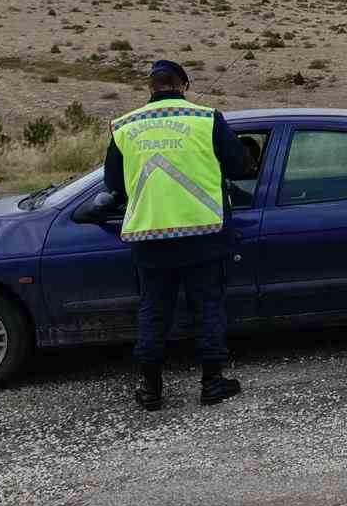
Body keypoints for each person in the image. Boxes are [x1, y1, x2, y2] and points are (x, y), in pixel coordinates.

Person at [103, 60, 254, 411]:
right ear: (184, 86)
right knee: (208, 308)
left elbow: (113, 184)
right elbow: (239, 167)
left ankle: (152, 390)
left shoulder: (125, 126)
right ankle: (212, 384)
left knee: (154, 312)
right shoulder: (207, 119)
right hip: (204, 234)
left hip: (149, 238)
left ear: (150, 88)